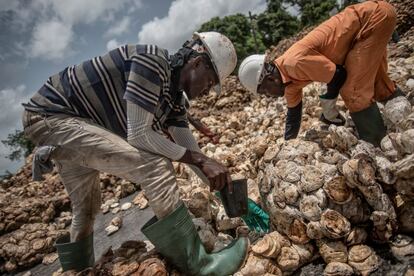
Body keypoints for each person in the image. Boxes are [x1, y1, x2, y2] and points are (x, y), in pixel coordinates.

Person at [22, 32, 248, 275]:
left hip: (74, 123)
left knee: (87, 207)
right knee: (156, 166)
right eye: (210, 81)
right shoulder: (151, 62)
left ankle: (76, 271)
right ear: (197, 63)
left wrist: (228, 188)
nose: (208, 89)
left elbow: (194, 155)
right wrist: (202, 159)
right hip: (53, 117)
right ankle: (202, 266)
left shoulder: (172, 100)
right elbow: (139, 135)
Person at [238, 0, 405, 147]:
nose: (269, 96)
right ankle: (405, 120)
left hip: (372, 20)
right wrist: (288, 145)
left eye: (265, 91)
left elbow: (339, 75)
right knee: (377, 83)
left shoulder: (293, 63)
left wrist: (328, 106)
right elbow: (293, 115)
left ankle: (375, 144)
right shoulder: (289, 84)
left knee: (353, 91)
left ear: (270, 78)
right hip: (364, 31)